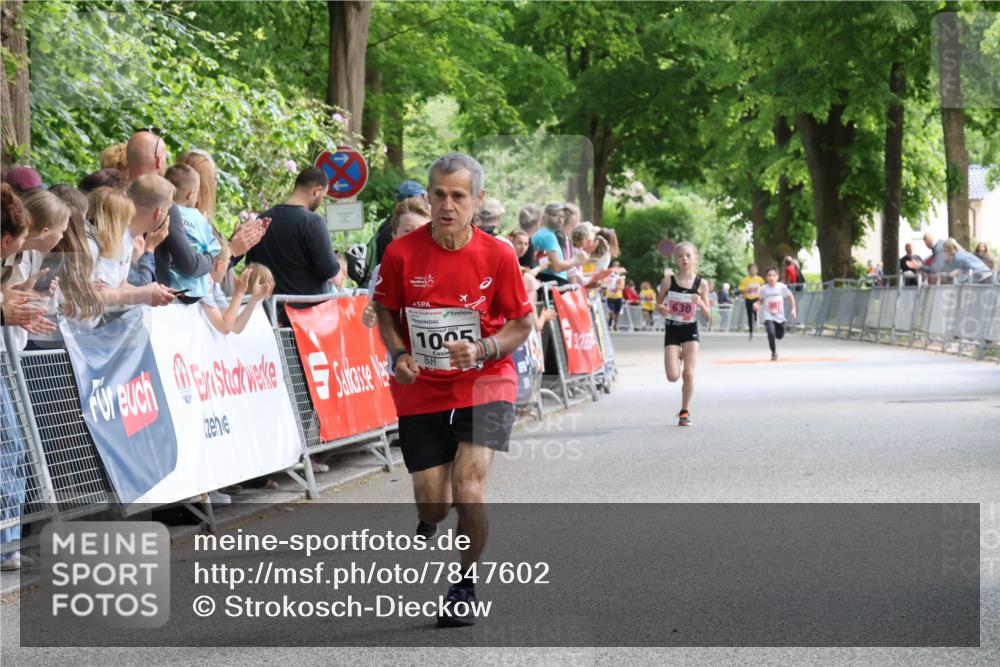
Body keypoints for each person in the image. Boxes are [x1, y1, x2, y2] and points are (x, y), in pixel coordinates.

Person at [372, 153, 533, 628]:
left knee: (469, 486)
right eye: (438, 194)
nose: (447, 205)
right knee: (436, 504)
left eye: (458, 196)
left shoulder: (498, 254)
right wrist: (399, 354)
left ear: (477, 200)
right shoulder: (401, 253)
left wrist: (484, 347)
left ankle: (464, 585)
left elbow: (522, 323)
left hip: (487, 378)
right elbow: (384, 310)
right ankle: (430, 516)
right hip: (421, 386)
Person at [243, 167, 340, 302]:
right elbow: (328, 269)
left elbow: (251, 264)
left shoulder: (263, 219)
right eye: (323, 196)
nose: (321, 201)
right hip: (305, 313)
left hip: (268, 309)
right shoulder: (313, 222)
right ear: (316, 191)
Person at [86, 184, 175, 306]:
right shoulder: (91, 247)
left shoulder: (115, 242)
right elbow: (97, 294)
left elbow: (119, 284)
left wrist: (153, 291)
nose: (129, 222)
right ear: (113, 222)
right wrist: (143, 294)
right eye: (126, 218)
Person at [657, 241, 712, 427]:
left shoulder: (701, 284)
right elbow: (658, 305)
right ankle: (677, 354)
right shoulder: (668, 281)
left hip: (690, 330)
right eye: (680, 256)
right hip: (673, 328)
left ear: (695, 259)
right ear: (676, 260)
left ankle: (684, 411)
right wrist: (662, 309)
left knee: (688, 374)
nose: (684, 259)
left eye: (688, 255)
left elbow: (708, 316)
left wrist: (701, 303)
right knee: (673, 376)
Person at [362, 198, 431, 328]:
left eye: (421, 230)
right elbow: (373, 317)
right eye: (407, 230)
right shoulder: (382, 271)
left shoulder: (448, 267)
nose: (415, 236)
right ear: (395, 237)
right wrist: (369, 317)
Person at [164, 163, 221, 298]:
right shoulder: (198, 218)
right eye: (197, 191)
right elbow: (214, 248)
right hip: (194, 289)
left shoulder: (162, 211)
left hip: (169, 285)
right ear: (190, 194)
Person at [201, 239, 274, 334]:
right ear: (219, 265)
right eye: (227, 263)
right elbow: (225, 328)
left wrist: (254, 299)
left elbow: (235, 327)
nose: (228, 269)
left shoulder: (215, 285)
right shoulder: (204, 282)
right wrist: (238, 293)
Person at [363, 180, 429, 285]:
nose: (426, 201)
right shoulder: (388, 230)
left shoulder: (388, 225)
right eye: (422, 197)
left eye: (420, 229)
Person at [532, 202, 586, 286]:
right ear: (545, 216)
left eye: (562, 216)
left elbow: (546, 263)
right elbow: (556, 267)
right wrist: (576, 259)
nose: (560, 220)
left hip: (552, 283)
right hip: (553, 285)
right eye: (554, 215)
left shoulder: (547, 234)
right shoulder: (548, 236)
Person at [754, 267, 797, 361]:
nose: (771, 277)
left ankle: (778, 332)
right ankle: (773, 352)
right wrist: (757, 304)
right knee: (771, 333)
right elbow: (760, 300)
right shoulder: (763, 289)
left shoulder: (781, 287)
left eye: (774, 275)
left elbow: (790, 296)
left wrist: (793, 309)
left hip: (780, 316)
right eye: (769, 275)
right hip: (768, 315)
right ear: (766, 278)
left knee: (779, 336)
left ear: (777, 277)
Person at [738, 263, 765, 340]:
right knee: (749, 315)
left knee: (756, 310)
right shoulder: (745, 280)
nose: (753, 271)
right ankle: (751, 332)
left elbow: (763, 288)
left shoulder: (760, 279)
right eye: (752, 269)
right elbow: (741, 289)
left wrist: (762, 297)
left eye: (755, 269)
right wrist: (745, 291)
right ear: (748, 270)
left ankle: (756, 320)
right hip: (748, 298)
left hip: (756, 298)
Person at [517, 204, 541, 271]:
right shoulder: (527, 244)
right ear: (537, 224)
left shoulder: (513, 236)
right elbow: (525, 272)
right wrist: (541, 267)